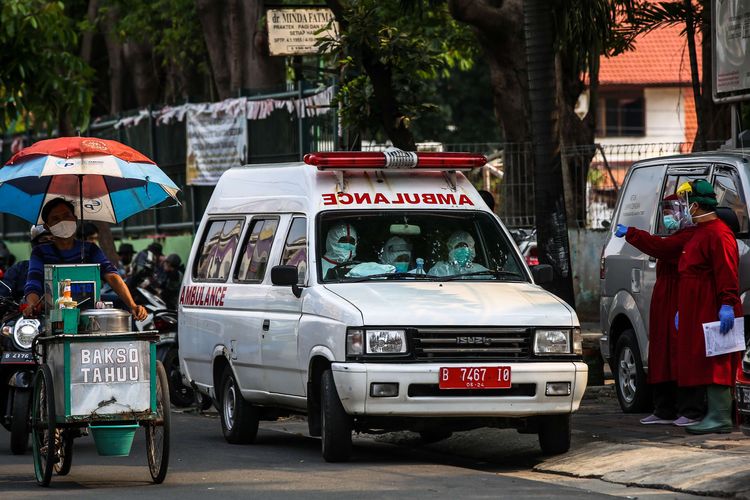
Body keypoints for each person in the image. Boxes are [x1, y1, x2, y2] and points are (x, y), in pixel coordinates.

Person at [614, 195, 702, 426]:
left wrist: (632, 233)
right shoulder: (678, 236)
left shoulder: (688, 238)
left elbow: (661, 247)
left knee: (678, 355)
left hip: (677, 300)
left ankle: (688, 409)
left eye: (672, 212)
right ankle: (664, 409)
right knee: (661, 353)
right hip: (664, 301)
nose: (668, 217)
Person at [673, 180, 742, 434]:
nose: (683, 208)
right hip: (696, 306)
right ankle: (712, 413)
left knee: (717, 358)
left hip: (712, 306)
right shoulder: (701, 232)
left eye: (687, 203)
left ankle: (720, 415)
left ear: (697, 205)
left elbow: (726, 272)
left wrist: (727, 303)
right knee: (701, 358)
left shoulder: (718, 233)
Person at [22, 198, 147, 321]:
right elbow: (33, 283)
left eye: (66, 216)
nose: (63, 221)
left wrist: (132, 305)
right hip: (54, 316)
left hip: (90, 315)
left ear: (75, 219)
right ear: (47, 227)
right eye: (55, 219)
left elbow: (112, 276)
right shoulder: (40, 252)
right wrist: (32, 304)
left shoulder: (90, 249)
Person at [0, 225, 53, 302]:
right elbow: (3, 293)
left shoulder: (65, 268)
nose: (49, 243)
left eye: (53, 239)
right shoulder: (19, 269)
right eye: (44, 239)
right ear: (34, 245)